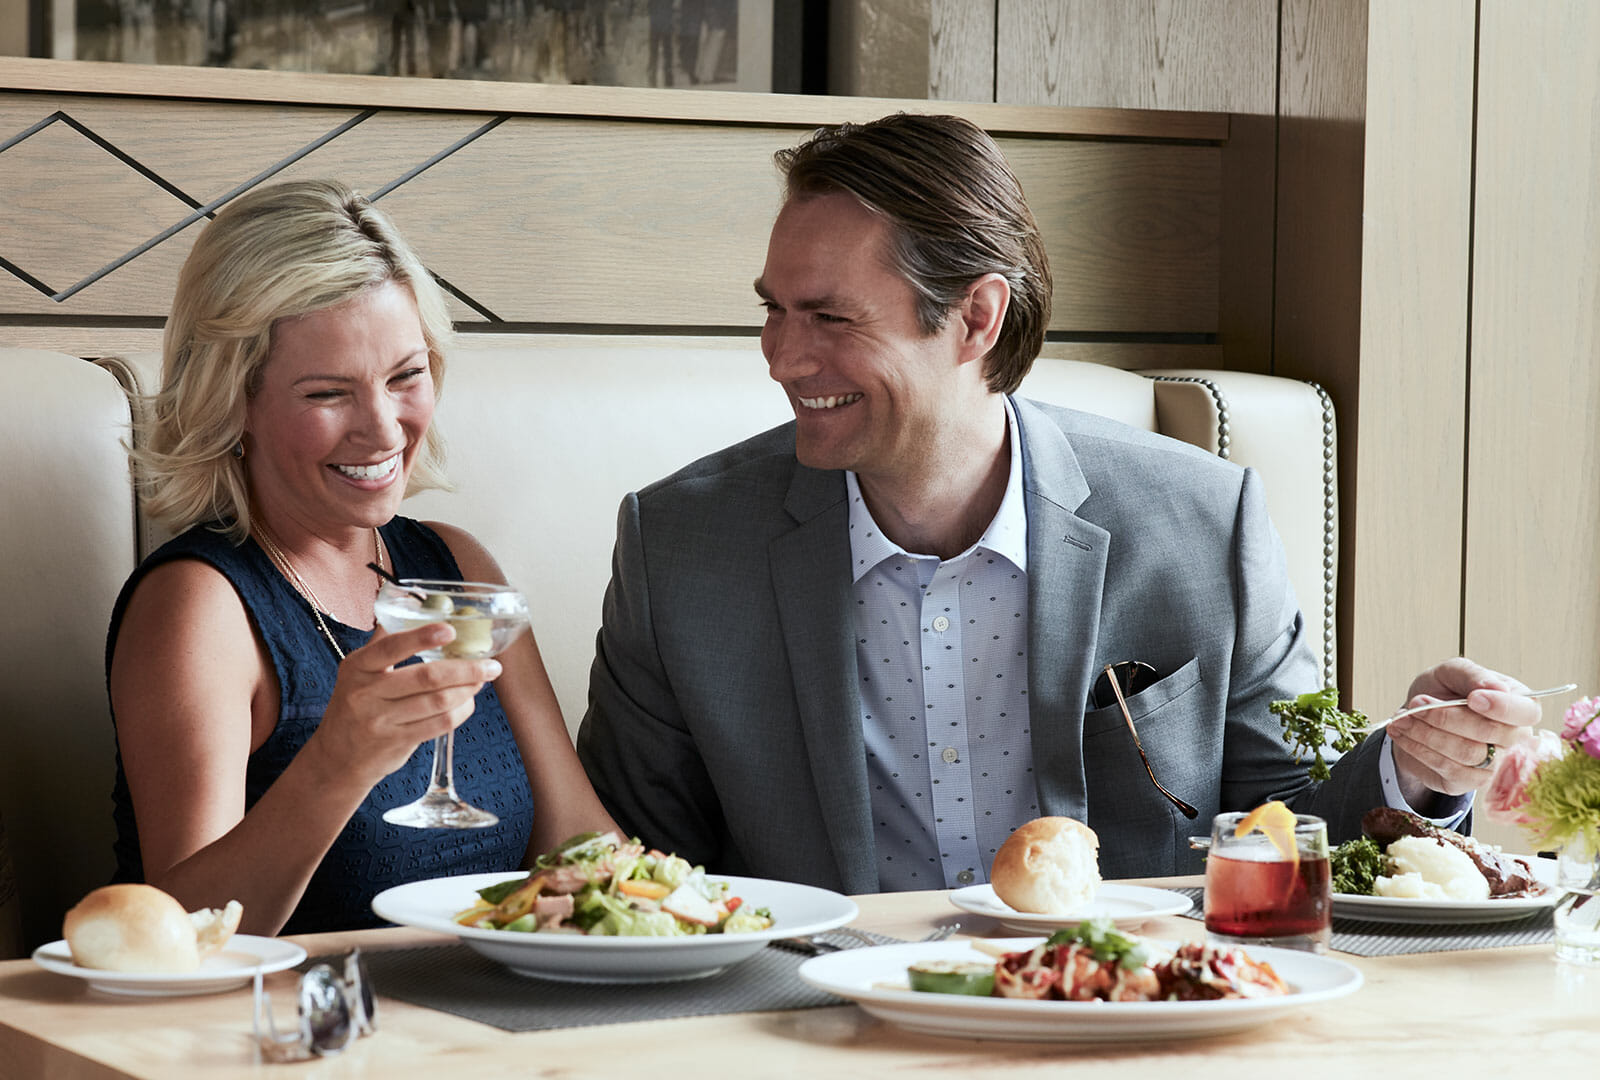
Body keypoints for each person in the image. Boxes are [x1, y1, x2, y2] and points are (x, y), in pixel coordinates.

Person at [576, 113, 1541, 893]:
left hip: (1129, 1013)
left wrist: (1418, 768)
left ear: (976, 317)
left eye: (830, 317)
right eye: (774, 310)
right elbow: (631, 871)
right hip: (816, 1021)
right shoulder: (680, 546)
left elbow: (1287, 828)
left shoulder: (1204, 523)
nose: (784, 358)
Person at [108, 179, 618, 936]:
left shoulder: (455, 567)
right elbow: (182, 933)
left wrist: (687, 915)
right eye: (327, 394)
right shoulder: (199, 604)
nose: (382, 430)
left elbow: (580, 843)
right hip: (297, 1012)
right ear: (234, 401)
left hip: (487, 1007)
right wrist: (338, 761)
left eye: (406, 376)